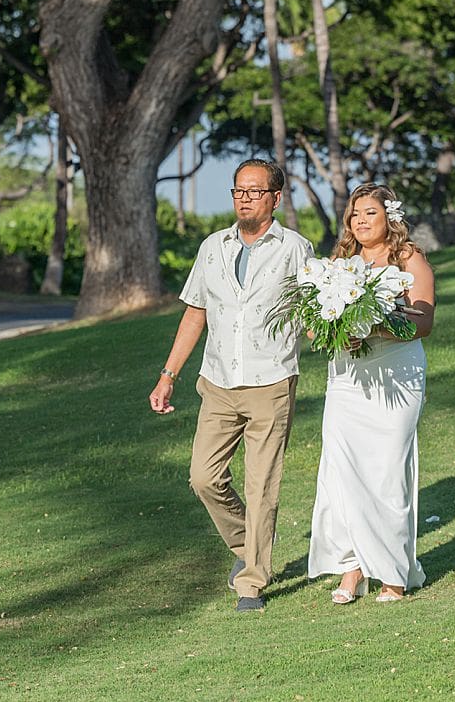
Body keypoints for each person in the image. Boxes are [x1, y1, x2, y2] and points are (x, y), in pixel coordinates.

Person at [149, 158, 314, 613]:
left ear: (275, 198)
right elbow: (195, 311)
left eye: (253, 192)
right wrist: (169, 375)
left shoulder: (295, 248)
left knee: (261, 485)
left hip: (271, 381)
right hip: (218, 381)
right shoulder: (212, 247)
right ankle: (249, 544)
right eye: (238, 191)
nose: (243, 199)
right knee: (203, 477)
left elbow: (312, 312)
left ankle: (252, 583)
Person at [307, 183, 435, 603]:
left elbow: (423, 321)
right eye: (355, 215)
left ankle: (393, 572)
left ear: (389, 218)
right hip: (347, 379)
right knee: (341, 472)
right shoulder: (339, 264)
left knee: (386, 470)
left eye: (370, 214)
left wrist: (377, 325)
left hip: (396, 374)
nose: (360, 221)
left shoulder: (408, 259)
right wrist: (334, 330)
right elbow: (314, 323)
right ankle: (352, 568)